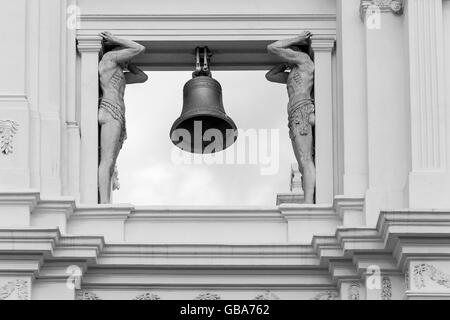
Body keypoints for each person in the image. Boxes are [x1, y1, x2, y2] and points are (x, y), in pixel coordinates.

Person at [98, 31, 148, 204]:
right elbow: (139, 48)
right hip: (110, 111)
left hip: (118, 114)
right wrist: (113, 39)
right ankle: (104, 204)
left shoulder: (118, 71)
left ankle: (104, 201)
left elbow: (142, 77)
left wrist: (129, 64)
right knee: (108, 160)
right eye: (126, 55)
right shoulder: (109, 59)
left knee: (111, 161)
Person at [266, 31, 316, 204]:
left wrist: (298, 39)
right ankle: (310, 199)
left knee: (305, 159)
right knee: (303, 163)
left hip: (302, 110)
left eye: (289, 52)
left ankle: (309, 203)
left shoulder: (305, 61)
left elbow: (272, 47)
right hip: (294, 114)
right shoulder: (294, 72)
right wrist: (285, 63)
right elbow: (270, 76)